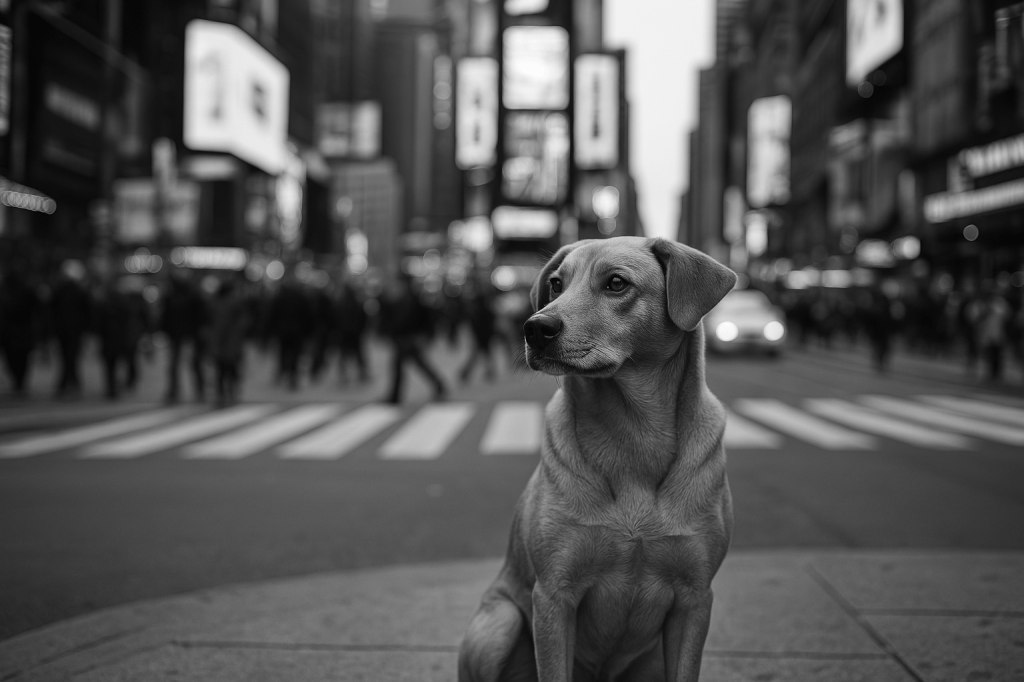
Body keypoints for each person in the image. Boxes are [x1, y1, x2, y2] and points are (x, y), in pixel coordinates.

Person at [379, 277, 446, 404]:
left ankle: (395, 396)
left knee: (406, 366)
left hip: (410, 339)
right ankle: (438, 386)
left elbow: (426, 319)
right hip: (403, 338)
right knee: (414, 365)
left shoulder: (416, 300)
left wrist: (424, 336)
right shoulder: (401, 300)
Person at [161, 272, 209, 402]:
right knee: (189, 363)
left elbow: (166, 316)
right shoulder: (190, 296)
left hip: (184, 333)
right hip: (183, 333)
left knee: (188, 363)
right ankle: (197, 389)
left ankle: (193, 389)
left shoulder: (176, 297)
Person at [50, 264, 92, 396]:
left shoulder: (60, 291)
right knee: (72, 356)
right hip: (74, 330)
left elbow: (52, 312)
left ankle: (67, 382)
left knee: (66, 356)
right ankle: (71, 382)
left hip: (63, 329)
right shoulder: (80, 291)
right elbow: (88, 312)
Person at [207, 278, 251, 406]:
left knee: (221, 369)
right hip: (231, 341)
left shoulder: (215, 303)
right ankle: (231, 391)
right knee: (231, 368)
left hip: (221, 342)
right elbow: (245, 322)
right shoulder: (235, 303)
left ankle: (222, 393)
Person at [267, 275, 313, 391]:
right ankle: (292, 375)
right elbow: (307, 316)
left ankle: (284, 372)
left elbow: (272, 315)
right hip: (297, 331)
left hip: (283, 330)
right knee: (295, 354)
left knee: (284, 352)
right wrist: (309, 331)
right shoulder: (300, 297)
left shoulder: (280, 297)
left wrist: (270, 331)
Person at [0, 272, 39, 395]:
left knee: (15, 359)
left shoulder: (7, 293)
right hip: (19, 333)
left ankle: (19, 381)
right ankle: (20, 381)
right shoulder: (23, 291)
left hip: (14, 333)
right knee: (20, 360)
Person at [969, 284, 1011, 381]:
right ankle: (985, 370)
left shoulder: (1000, 303)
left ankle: (995, 373)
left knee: (996, 354)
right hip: (985, 333)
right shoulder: (982, 304)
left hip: (997, 333)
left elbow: (1007, 316)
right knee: (985, 353)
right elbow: (974, 316)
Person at [459, 282, 498, 383]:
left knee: (479, 355)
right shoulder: (484, 310)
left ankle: (466, 373)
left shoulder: (477, 310)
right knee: (480, 355)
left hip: (482, 335)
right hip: (483, 335)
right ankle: (466, 373)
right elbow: (488, 322)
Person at [335, 282, 369, 384]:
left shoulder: (340, 304)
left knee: (343, 355)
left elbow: (335, 319)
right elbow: (364, 319)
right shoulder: (357, 304)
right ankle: (362, 373)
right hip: (355, 333)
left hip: (344, 333)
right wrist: (360, 330)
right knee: (358, 354)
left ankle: (343, 375)